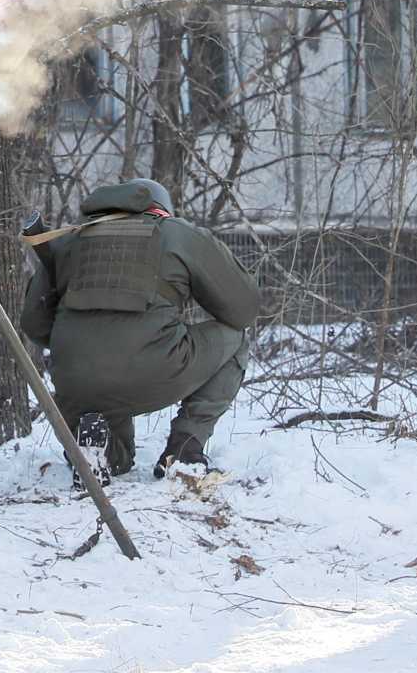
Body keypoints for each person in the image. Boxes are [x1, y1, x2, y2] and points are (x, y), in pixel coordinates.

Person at [19, 178, 259, 479]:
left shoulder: (68, 239)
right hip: (153, 366)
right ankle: (184, 451)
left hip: (76, 381)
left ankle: (96, 446)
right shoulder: (176, 233)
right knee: (235, 341)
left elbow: (33, 323)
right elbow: (243, 309)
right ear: (160, 209)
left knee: (116, 462)